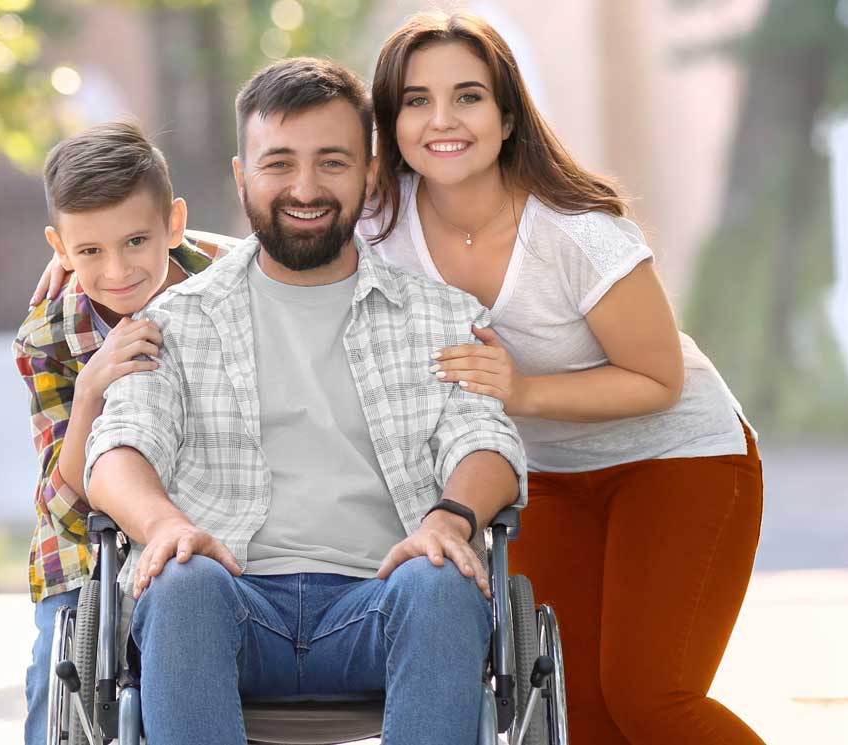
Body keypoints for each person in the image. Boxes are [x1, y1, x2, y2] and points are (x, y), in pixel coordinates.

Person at [81, 58, 526, 745]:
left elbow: (485, 442)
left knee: (440, 579)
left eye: (332, 162)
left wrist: (450, 516)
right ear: (242, 176)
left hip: (382, 598)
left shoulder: (440, 318)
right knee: (179, 579)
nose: (306, 187)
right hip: (230, 597)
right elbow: (117, 450)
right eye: (280, 163)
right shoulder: (176, 320)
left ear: (370, 173)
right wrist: (164, 523)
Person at [360, 10, 766, 744]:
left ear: (508, 114)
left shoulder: (576, 229)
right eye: (416, 100)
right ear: (390, 121)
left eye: (469, 96)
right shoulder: (380, 230)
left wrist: (522, 392)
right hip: (545, 476)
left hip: (679, 456)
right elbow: (273, 256)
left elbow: (658, 377)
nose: (441, 119)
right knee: (580, 715)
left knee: (652, 698)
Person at [12, 119, 225, 745]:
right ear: (60, 246)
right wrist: (90, 392)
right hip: (85, 554)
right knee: (56, 668)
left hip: (205, 525)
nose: (117, 270)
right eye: (89, 251)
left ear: (174, 224)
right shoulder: (47, 337)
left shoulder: (226, 288)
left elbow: (265, 252)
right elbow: (65, 505)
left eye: (136, 241)